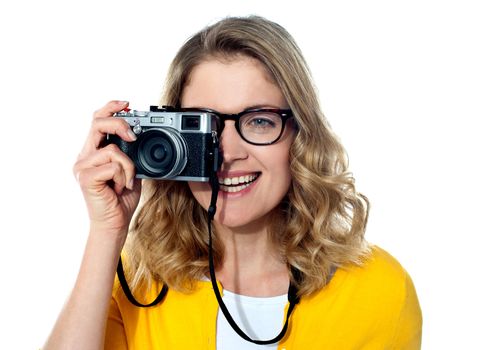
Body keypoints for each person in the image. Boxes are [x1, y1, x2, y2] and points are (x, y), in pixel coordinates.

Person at [44, 16, 422, 349]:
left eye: (259, 121)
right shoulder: (137, 280)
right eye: (202, 125)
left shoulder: (379, 290)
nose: (226, 152)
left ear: (299, 135)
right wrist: (106, 232)